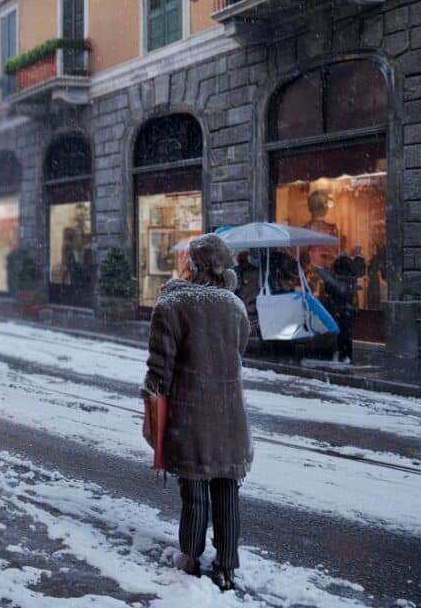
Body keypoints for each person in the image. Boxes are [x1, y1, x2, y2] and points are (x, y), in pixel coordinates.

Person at [143, 233, 251, 592]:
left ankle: (190, 555)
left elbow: (161, 365)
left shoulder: (173, 303)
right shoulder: (234, 306)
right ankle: (227, 567)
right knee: (226, 487)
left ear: (195, 264)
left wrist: (154, 396)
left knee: (194, 486)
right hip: (230, 412)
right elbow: (239, 352)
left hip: (191, 410)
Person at [314, 254, 358, 364]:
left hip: (337, 309)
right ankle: (347, 355)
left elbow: (329, 292)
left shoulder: (334, 281)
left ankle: (339, 355)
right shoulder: (351, 280)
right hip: (347, 309)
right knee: (347, 333)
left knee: (338, 334)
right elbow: (351, 294)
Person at [232, 251, 261, 320]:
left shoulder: (236, 271)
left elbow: (235, 287)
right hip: (254, 306)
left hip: (246, 306)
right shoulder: (256, 270)